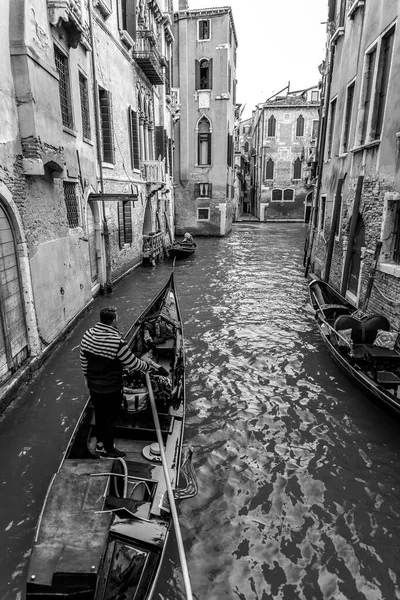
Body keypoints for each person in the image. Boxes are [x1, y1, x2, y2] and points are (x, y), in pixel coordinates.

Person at [80, 306, 150, 458]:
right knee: (111, 418)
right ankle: (108, 449)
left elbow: (83, 360)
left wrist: (87, 377)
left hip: (93, 385)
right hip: (111, 388)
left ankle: (99, 443)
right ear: (113, 321)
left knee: (99, 414)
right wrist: (147, 366)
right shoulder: (117, 342)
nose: (117, 320)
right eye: (116, 318)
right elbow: (132, 363)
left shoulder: (87, 335)